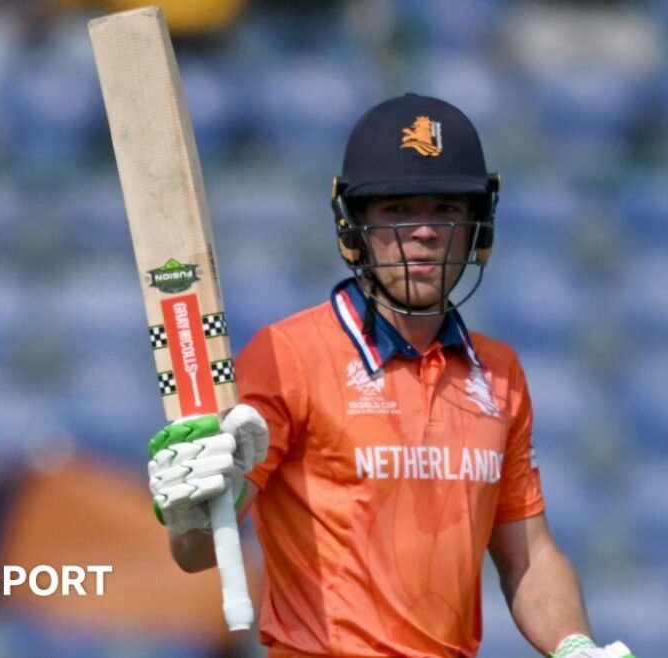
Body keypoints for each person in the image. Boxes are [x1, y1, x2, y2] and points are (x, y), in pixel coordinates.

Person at [146, 94, 633, 658]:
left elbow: (528, 555)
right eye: (397, 210)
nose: (423, 232)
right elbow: (202, 551)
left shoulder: (499, 376)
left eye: (446, 210)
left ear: (478, 228)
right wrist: (191, 512)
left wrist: (575, 647)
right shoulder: (287, 356)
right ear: (355, 228)